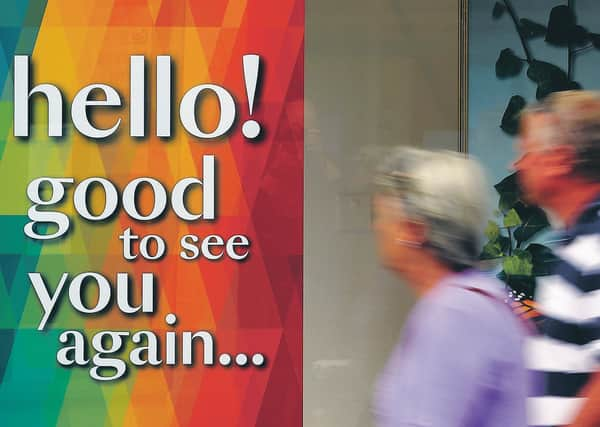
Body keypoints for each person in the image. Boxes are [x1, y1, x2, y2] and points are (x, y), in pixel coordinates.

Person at [371, 147, 528, 427]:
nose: (377, 227)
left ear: (415, 230)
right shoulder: (478, 300)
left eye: (383, 217)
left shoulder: (455, 314)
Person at [514, 90, 600, 427]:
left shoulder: (594, 245)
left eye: (525, 152)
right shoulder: (580, 243)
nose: (516, 164)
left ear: (560, 159)